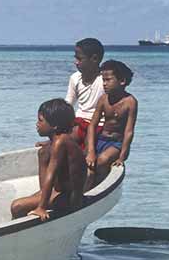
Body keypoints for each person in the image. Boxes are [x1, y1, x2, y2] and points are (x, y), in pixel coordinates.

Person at [11, 99, 86, 221]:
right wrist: (41, 198)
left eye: (41, 121)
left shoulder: (61, 142)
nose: (37, 124)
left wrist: (41, 207)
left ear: (54, 125)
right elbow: (45, 184)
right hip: (57, 193)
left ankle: (22, 235)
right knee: (43, 152)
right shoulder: (50, 147)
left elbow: (51, 175)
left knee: (17, 206)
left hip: (71, 198)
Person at [86, 59, 138, 187]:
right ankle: (86, 189)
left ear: (122, 81)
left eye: (108, 80)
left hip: (116, 143)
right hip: (101, 139)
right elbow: (92, 125)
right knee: (87, 165)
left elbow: (129, 131)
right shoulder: (103, 99)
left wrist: (122, 156)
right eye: (103, 80)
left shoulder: (130, 102)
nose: (104, 84)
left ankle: (101, 185)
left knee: (103, 160)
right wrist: (91, 150)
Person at [64, 37, 105, 147]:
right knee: (58, 142)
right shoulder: (75, 78)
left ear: (94, 59)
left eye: (79, 59)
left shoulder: (104, 80)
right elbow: (68, 105)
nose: (76, 62)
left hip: (99, 126)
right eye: (75, 58)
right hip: (79, 122)